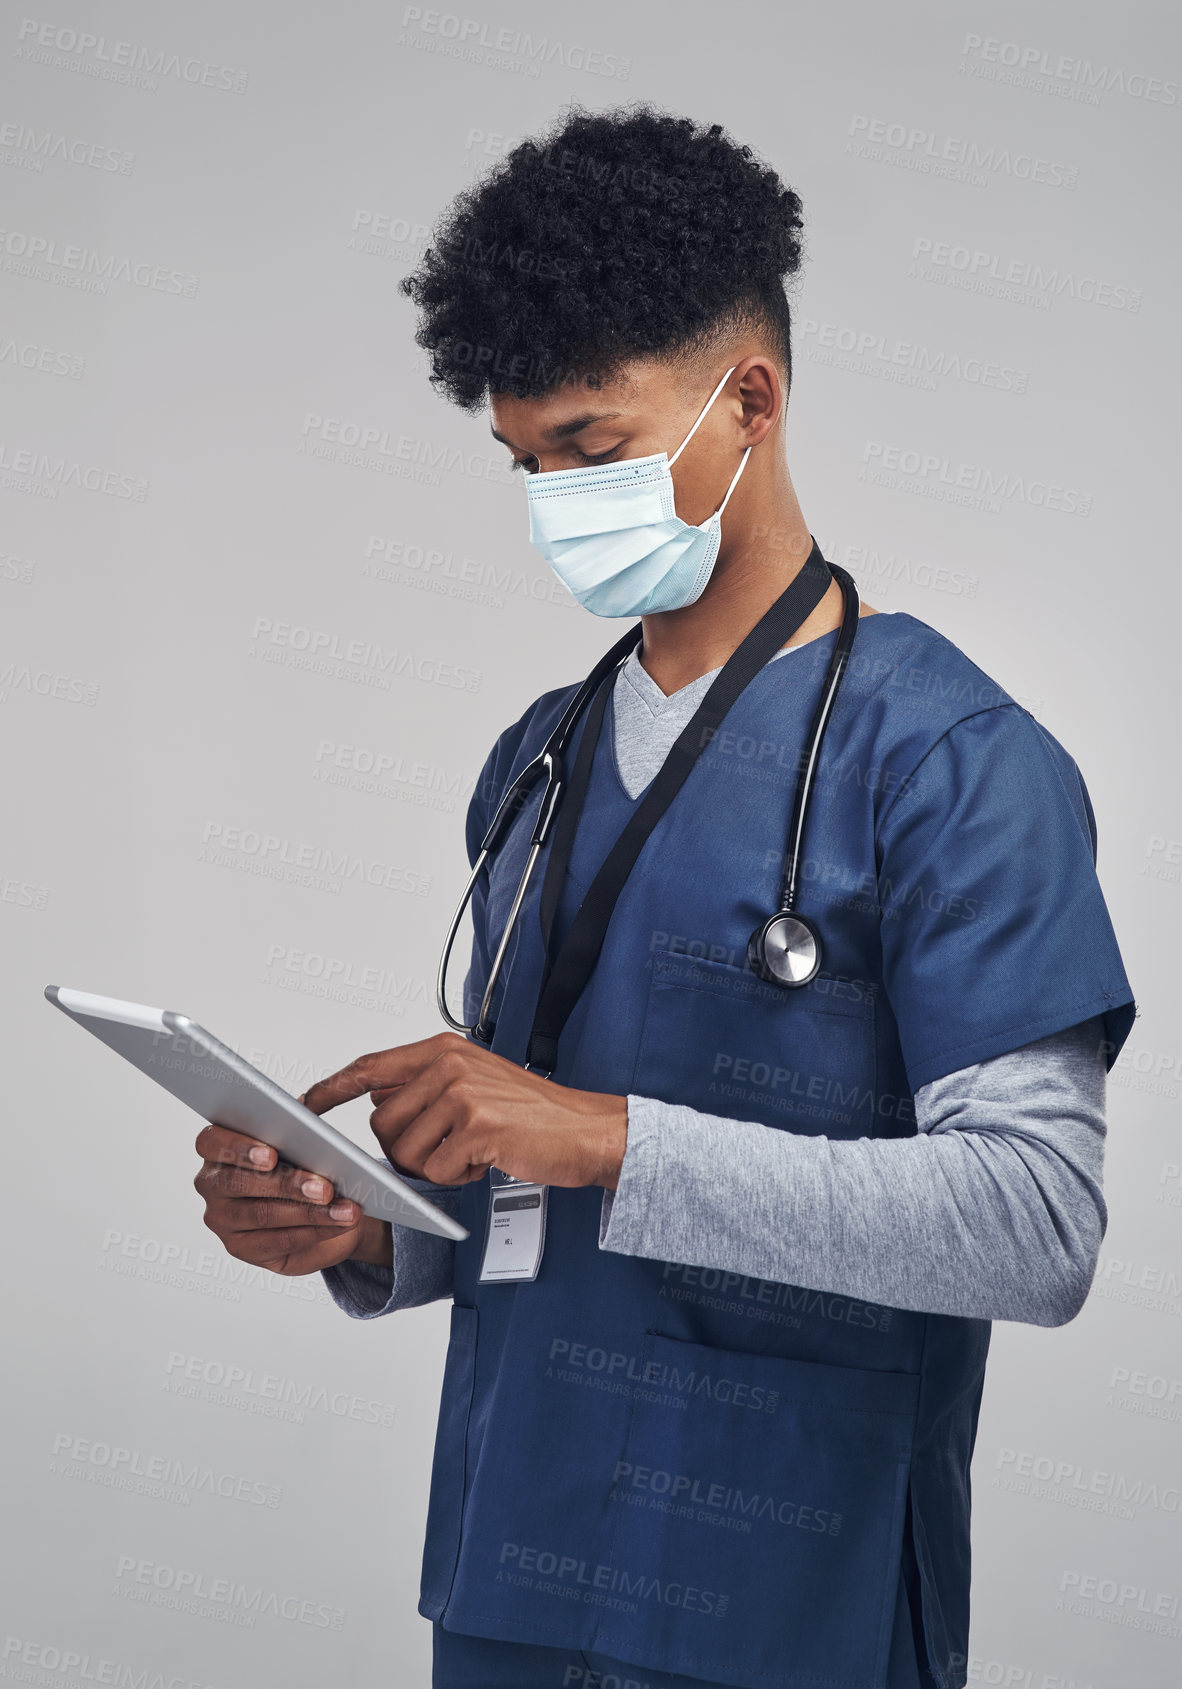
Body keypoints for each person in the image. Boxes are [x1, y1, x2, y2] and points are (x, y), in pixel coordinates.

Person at [193, 105, 1137, 1689]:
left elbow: (1034, 1227)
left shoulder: (955, 760)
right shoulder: (540, 762)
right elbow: (525, 1197)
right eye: (522, 460)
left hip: (788, 1597)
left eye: (589, 449)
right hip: (514, 1564)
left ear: (747, 401)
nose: (553, 497)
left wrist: (604, 1131)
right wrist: (367, 1230)